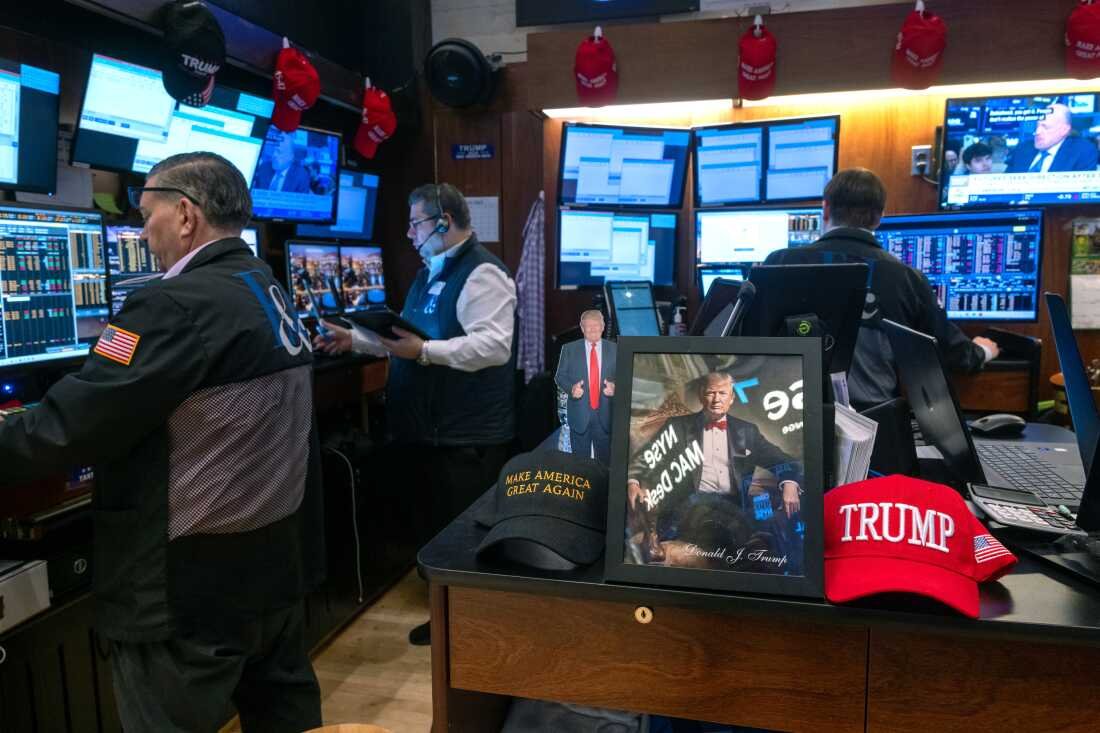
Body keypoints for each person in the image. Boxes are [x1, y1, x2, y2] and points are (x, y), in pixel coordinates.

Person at [0, 152, 324, 732]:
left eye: (145, 215)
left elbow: (69, 426)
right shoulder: (263, 283)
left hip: (187, 595)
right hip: (271, 567)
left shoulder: (171, 304)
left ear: (183, 214)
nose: (141, 234)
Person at [315, 182, 517, 646]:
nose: (408, 232)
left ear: (442, 221)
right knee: (436, 528)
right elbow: (411, 339)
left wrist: (424, 351)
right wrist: (357, 341)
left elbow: (492, 345)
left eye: (416, 222)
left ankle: (468, 632)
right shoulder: (432, 271)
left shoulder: (482, 273)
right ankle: (450, 622)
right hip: (429, 430)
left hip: (465, 433)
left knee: (461, 537)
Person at [764, 168, 999, 410]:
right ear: (880, 217)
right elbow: (950, 353)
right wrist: (982, 351)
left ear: (825, 209)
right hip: (873, 422)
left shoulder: (778, 262)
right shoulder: (905, 277)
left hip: (786, 416)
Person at [626, 372, 802, 565]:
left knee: (761, 546)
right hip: (688, 506)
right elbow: (645, 457)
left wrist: (790, 483)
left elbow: (782, 460)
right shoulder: (679, 426)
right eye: (711, 393)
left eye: (722, 393)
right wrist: (633, 482)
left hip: (733, 508)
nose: (716, 399)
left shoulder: (746, 431)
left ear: (732, 398)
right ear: (702, 396)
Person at [555, 310, 616, 464]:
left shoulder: (615, 349)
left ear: (603, 326)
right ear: (582, 328)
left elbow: (625, 375)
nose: (593, 329)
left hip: (606, 416)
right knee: (580, 466)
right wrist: (571, 389)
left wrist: (615, 387)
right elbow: (560, 376)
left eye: (596, 325)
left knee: (605, 465)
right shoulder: (569, 349)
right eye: (588, 326)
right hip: (579, 415)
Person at [1006, 103, 1099, 173]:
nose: (1037, 132)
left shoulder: (1082, 151)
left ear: (1064, 130)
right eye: (1037, 126)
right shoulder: (1023, 149)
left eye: (1045, 127)